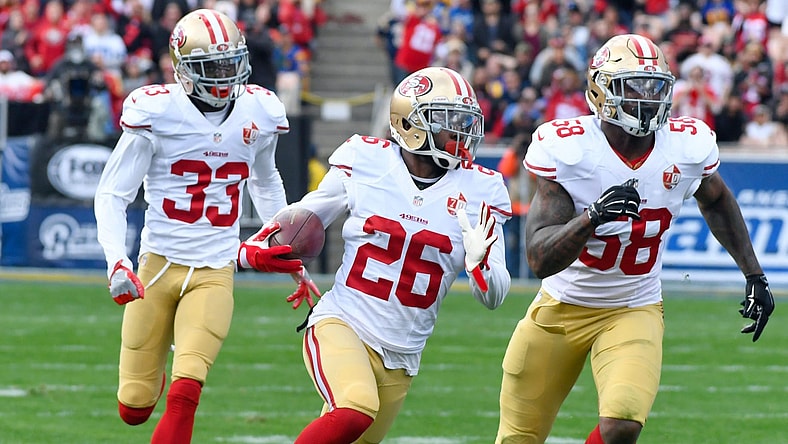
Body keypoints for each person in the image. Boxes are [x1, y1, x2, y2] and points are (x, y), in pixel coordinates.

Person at [496, 34, 775, 444]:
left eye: (654, 86)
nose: (646, 97)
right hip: (560, 307)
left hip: (633, 305)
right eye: (632, 86)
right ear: (599, 89)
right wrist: (591, 218)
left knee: (622, 422)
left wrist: (755, 275)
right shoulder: (571, 149)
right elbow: (539, 259)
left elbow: (716, 200)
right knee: (519, 437)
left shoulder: (684, 146)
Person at [240, 66, 512, 443]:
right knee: (355, 408)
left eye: (464, 120)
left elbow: (495, 295)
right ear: (411, 123)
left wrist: (479, 263)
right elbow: (302, 218)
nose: (461, 131)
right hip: (344, 323)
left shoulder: (483, 188)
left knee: (351, 426)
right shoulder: (367, 161)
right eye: (448, 120)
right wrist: (258, 245)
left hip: (403, 356)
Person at [94, 9, 311, 444]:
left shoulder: (259, 110)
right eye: (213, 66)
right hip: (156, 266)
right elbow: (113, 193)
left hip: (215, 268)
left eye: (232, 63)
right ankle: (151, 370)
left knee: (187, 390)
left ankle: (178, 369)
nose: (226, 75)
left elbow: (265, 180)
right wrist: (117, 261)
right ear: (184, 70)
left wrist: (286, 247)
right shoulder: (156, 110)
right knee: (133, 408)